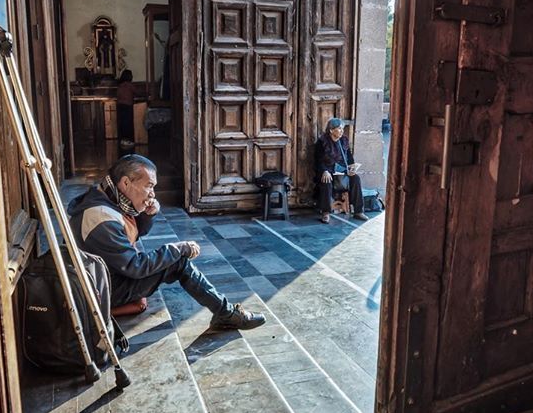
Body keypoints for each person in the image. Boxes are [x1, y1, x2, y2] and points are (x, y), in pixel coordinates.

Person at [68, 154, 266, 330]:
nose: (152, 194)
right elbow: (134, 266)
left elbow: (131, 235)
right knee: (178, 262)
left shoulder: (104, 197)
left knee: (173, 259)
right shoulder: (100, 216)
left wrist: (147, 214)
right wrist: (176, 249)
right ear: (126, 183)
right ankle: (226, 314)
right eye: (149, 186)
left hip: (104, 277)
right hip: (99, 290)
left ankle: (224, 312)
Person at [314, 117, 366, 224]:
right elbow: (318, 160)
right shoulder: (322, 142)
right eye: (339, 129)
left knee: (355, 179)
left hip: (342, 170)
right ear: (331, 130)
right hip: (328, 170)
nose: (342, 131)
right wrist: (324, 171)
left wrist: (351, 167)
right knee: (326, 180)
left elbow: (349, 157)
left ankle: (358, 211)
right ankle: (326, 213)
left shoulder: (344, 141)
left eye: (342, 128)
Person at [116, 69, 135, 146]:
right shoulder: (129, 85)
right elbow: (137, 92)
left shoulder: (120, 85)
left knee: (122, 123)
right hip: (128, 106)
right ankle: (128, 140)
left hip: (120, 106)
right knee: (128, 124)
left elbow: (118, 95)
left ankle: (122, 140)